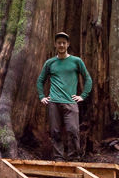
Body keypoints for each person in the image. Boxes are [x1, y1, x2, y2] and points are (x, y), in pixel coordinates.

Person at [37, 31, 92, 161]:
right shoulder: (50, 63)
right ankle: (59, 158)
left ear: (68, 44)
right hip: (54, 102)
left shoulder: (76, 61)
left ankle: (74, 158)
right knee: (55, 131)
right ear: (55, 45)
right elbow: (40, 80)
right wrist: (42, 96)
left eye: (64, 43)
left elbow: (88, 78)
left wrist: (83, 95)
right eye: (59, 43)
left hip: (70, 102)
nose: (61, 45)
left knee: (73, 130)